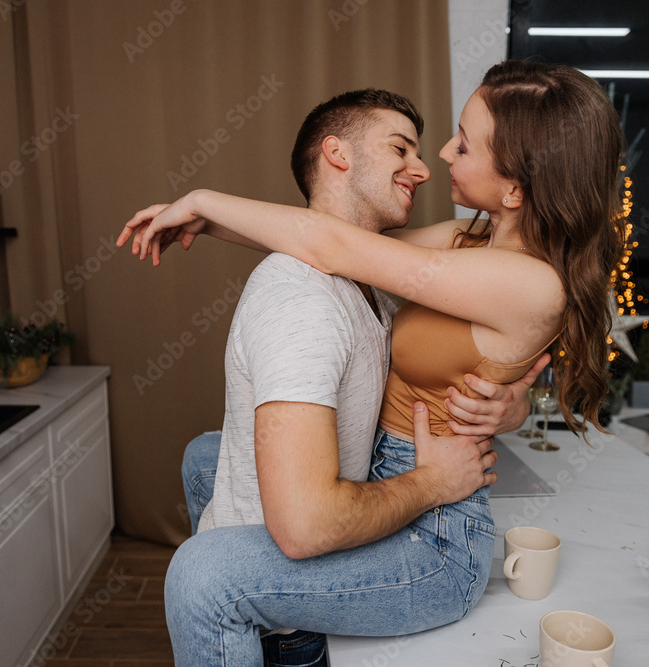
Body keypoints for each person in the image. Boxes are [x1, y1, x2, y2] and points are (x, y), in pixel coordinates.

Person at [124, 59, 620, 664]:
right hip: (385, 466)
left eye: (462, 143)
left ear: (516, 186)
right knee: (209, 458)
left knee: (203, 576)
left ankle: (253, 605)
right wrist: (209, 223)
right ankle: (283, 634)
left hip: (435, 539)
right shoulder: (467, 241)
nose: (441, 153)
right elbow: (341, 242)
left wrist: (203, 196)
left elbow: (331, 245)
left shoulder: (530, 285)